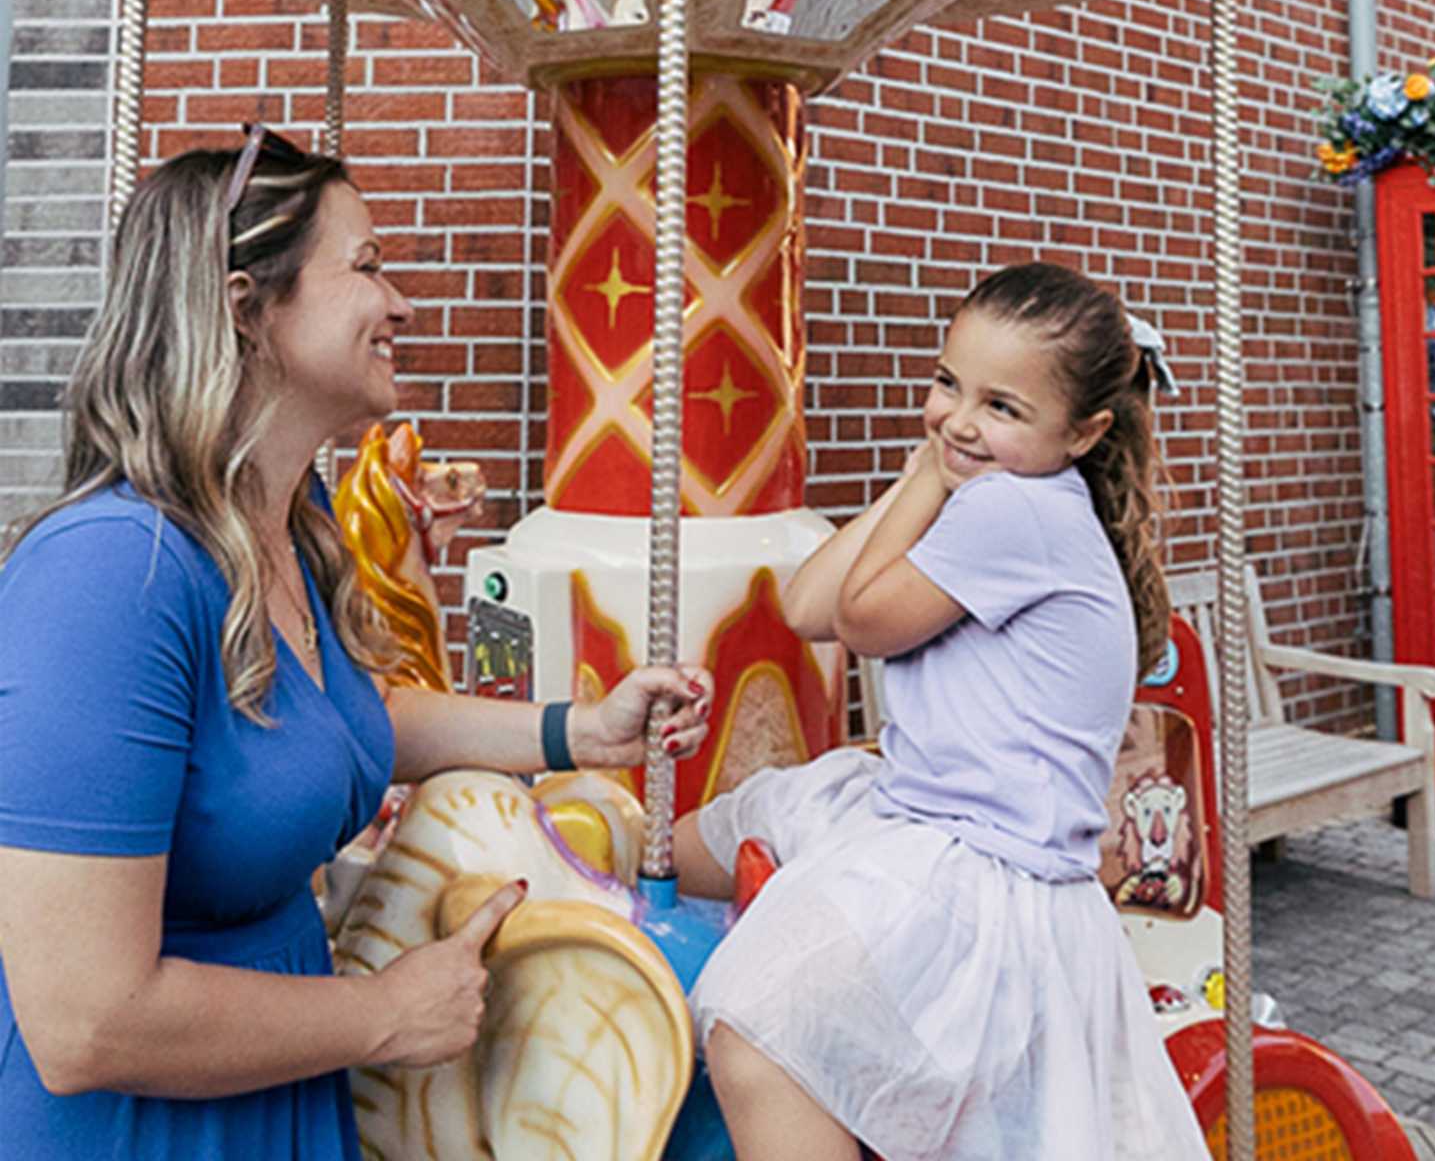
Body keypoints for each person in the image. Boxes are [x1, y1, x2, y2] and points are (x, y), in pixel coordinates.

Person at [0, 126, 713, 1160]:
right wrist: (382, 1016)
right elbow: (83, 1019)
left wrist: (580, 730)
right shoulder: (111, 575)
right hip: (145, 1122)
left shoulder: (288, 527)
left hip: (278, 1081)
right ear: (247, 309)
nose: (401, 305)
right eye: (368, 267)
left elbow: (337, 717)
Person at [674, 260, 1210, 1161]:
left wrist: (935, 470)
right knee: (689, 845)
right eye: (947, 384)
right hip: (922, 814)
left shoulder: (1018, 511)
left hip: (980, 872)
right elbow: (808, 609)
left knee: (761, 1033)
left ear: (1084, 432)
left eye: (1002, 407)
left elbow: (860, 621)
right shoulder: (997, 488)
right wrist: (943, 461)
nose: (961, 418)